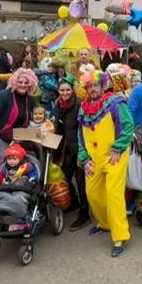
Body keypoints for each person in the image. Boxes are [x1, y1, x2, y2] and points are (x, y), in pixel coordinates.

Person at [77, 70, 134, 257]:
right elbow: (80, 136)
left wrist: (118, 148)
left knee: (113, 194)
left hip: (114, 155)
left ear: (103, 86)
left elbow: (128, 126)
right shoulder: (83, 108)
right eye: (89, 86)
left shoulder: (115, 102)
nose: (92, 89)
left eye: (95, 85)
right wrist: (84, 157)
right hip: (93, 157)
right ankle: (104, 223)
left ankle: (120, 235)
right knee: (92, 192)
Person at [0, 68, 38, 183]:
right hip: (1, 139)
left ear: (31, 84)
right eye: (20, 82)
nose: (23, 85)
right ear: (14, 82)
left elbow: (36, 118)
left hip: (20, 140)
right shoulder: (2, 96)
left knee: (15, 173)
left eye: (26, 82)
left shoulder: (31, 100)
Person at [52, 75, 90, 230]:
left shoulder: (79, 104)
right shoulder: (59, 104)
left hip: (80, 148)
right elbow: (58, 127)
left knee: (81, 181)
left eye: (67, 90)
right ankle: (74, 203)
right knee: (65, 176)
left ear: (72, 90)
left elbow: (85, 128)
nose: (65, 93)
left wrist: (85, 152)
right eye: (62, 90)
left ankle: (84, 213)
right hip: (67, 148)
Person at [0, 144, 40, 230]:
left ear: (20, 159)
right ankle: (14, 207)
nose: (11, 161)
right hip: (8, 189)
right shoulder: (4, 168)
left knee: (20, 189)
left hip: (22, 189)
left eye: (14, 159)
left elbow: (34, 175)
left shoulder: (27, 166)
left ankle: (0, 206)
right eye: (9, 159)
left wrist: (31, 182)